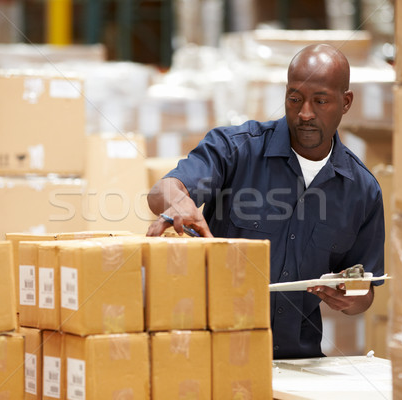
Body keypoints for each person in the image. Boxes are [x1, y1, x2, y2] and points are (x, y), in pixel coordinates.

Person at [146, 44, 385, 359]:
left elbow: (364, 294)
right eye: (294, 99)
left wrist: (349, 297)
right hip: (216, 356)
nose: (305, 113)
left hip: (297, 362)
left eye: (321, 101)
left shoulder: (362, 191)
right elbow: (162, 190)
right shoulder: (235, 150)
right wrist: (177, 201)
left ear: (346, 102)